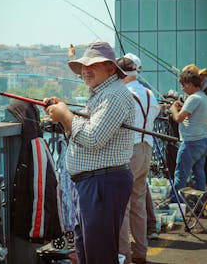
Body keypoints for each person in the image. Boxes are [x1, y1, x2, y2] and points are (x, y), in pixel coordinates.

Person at [44, 41, 136, 264]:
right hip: (92, 184)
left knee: (100, 255)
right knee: (87, 250)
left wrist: (65, 114)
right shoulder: (101, 95)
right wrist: (63, 115)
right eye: (83, 66)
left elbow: (93, 138)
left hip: (102, 183)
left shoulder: (114, 95)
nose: (85, 70)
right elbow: (83, 134)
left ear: (111, 69)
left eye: (92, 65)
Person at [117, 53, 160, 264]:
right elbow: (157, 113)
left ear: (121, 74)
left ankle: (123, 255)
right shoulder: (150, 94)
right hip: (146, 149)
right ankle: (140, 252)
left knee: (122, 206)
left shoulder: (122, 95)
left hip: (129, 151)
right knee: (139, 203)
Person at [169, 70, 207, 198]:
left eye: (183, 85)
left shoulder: (193, 98)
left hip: (191, 143)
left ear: (191, 84)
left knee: (180, 174)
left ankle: (176, 204)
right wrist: (182, 105)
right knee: (198, 175)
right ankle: (200, 204)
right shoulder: (203, 97)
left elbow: (178, 118)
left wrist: (173, 109)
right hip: (203, 141)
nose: (182, 88)